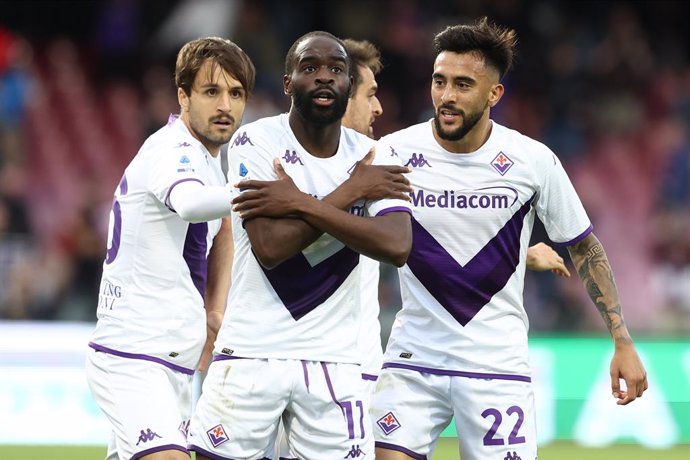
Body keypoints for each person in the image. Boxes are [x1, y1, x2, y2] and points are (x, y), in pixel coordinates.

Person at [369, 18, 648, 460]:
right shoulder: (393, 153)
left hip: (495, 365)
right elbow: (365, 232)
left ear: (494, 94)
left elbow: (583, 246)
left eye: (463, 84)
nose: (447, 96)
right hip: (413, 359)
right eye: (440, 82)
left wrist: (622, 340)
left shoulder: (532, 161)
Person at [187, 31, 413, 459]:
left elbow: (397, 245)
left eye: (336, 70)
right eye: (310, 68)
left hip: (336, 362)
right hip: (252, 351)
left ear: (348, 84)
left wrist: (296, 202)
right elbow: (270, 248)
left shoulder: (375, 156)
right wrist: (351, 193)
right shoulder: (256, 142)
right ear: (289, 83)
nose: (324, 77)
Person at [85, 37, 255, 460]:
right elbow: (192, 204)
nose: (225, 106)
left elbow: (223, 230)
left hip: (173, 362)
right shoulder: (172, 149)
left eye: (236, 94)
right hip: (135, 356)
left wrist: (214, 309)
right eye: (211, 91)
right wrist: (265, 192)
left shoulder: (209, 160)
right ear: (183, 96)